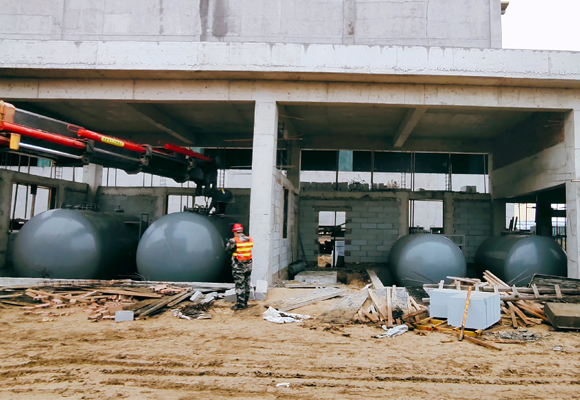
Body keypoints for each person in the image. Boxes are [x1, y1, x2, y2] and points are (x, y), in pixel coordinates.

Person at [225, 223, 253, 310]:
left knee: (240, 284)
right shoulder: (249, 239)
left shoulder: (234, 240)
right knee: (247, 284)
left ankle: (240, 305)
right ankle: (245, 302)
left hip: (238, 266)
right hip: (248, 265)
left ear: (234, 232)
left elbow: (227, 249)